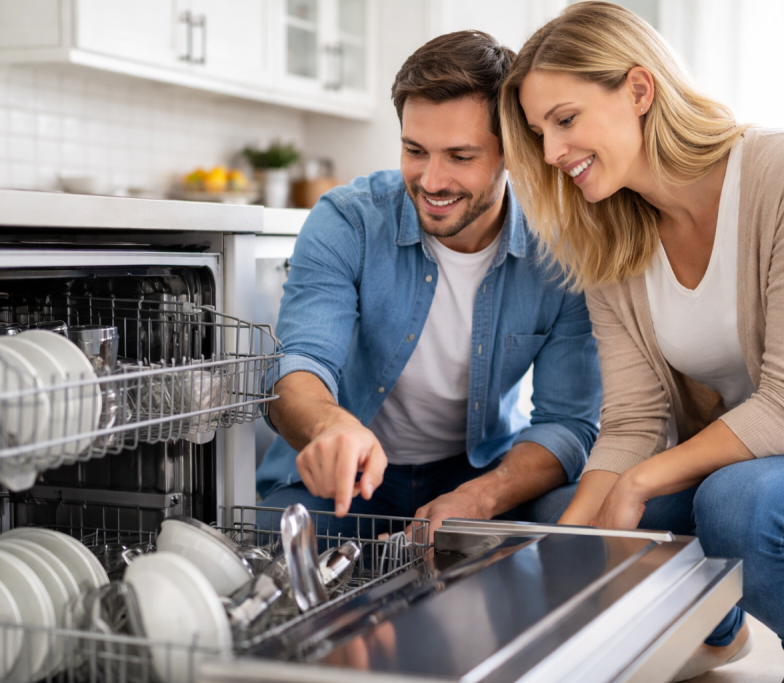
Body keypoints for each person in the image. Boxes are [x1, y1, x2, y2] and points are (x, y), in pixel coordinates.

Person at [499, 3, 784, 682]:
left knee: (732, 504)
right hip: (731, 473)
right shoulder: (608, 236)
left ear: (639, 90)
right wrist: (566, 542)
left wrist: (640, 481)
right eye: (538, 132)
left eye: (566, 120)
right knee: (556, 510)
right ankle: (718, 627)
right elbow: (633, 421)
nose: (551, 152)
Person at [255, 30, 602, 542]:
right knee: (274, 538)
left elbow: (568, 422)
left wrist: (481, 496)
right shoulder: (348, 221)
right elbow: (298, 365)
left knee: (571, 518)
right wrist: (332, 427)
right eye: (415, 150)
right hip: (348, 478)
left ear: (512, 153)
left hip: (479, 471)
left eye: (460, 157)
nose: (432, 181)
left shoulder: (561, 252)